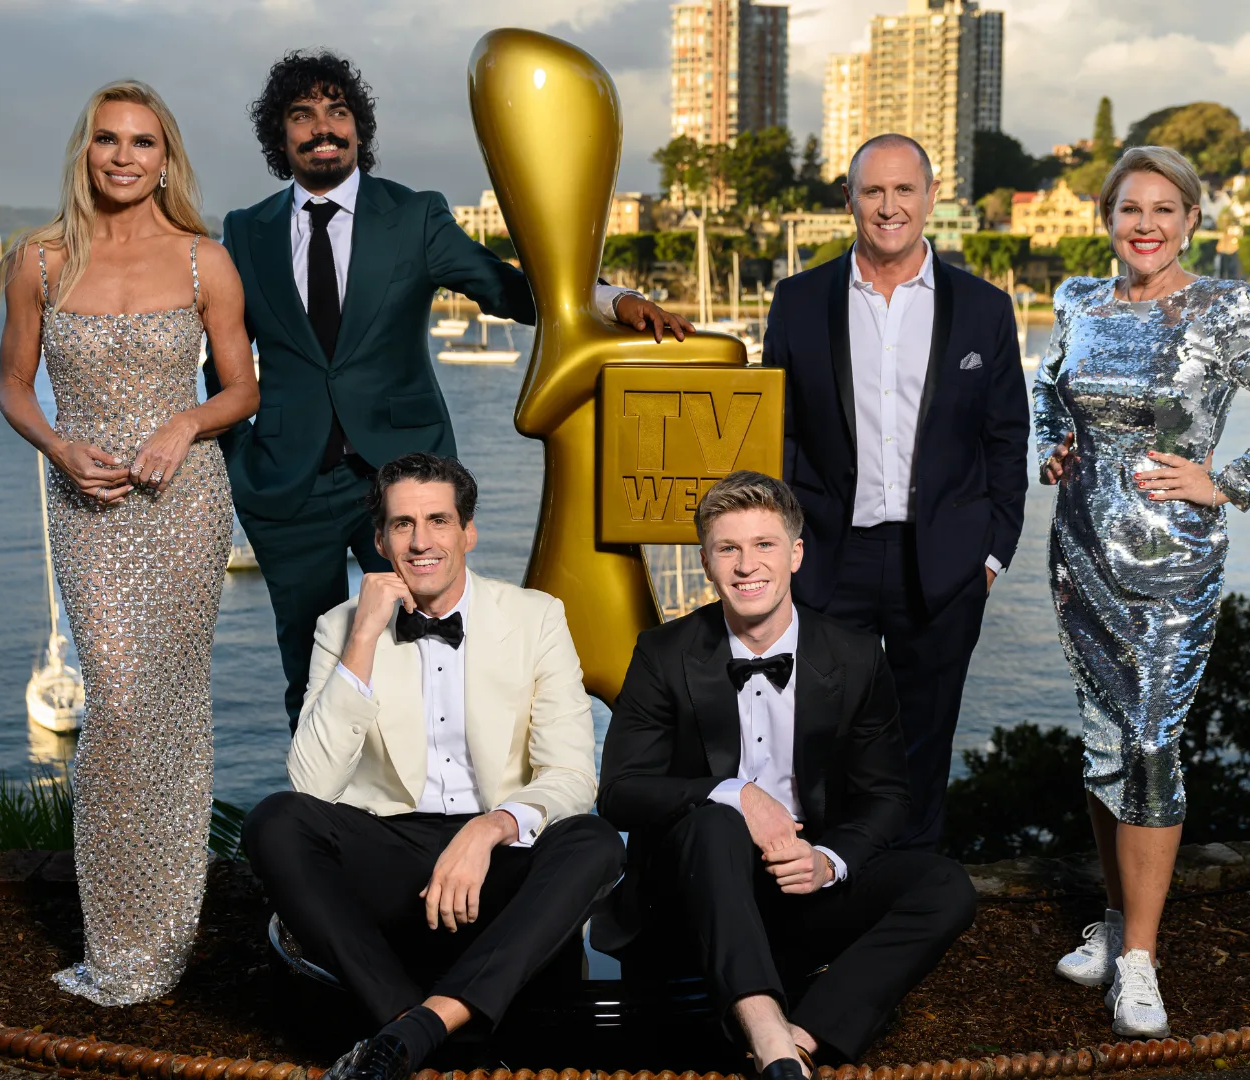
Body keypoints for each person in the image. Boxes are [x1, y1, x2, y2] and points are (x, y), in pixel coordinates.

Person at [215, 49, 692, 730]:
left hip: (406, 476)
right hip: (290, 487)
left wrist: (611, 300)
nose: (324, 127)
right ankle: (325, 826)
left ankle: (431, 824)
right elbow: (224, 358)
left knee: (433, 656)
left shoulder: (414, 216)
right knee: (313, 668)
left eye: (338, 111)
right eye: (303, 115)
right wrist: (242, 466)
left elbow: (504, 288)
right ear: (280, 136)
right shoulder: (246, 231)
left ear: (359, 128)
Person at [1036, 146, 1250, 1038]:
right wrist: (1054, 443)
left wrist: (1231, 481)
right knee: (1104, 742)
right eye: (1130, 209)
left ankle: (1140, 958)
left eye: (1164, 210)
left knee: (1150, 741)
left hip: (1173, 561)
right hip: (1082, 552)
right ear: (1107, 219)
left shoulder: (1222, 307)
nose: (1145, 225)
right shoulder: (1079, 302)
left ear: (1191, 222)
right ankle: (1114, 920)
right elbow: (1046, 387)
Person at [0, 80, 260, 1004]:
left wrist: (183, 426)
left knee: (171, 709)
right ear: (85, 150)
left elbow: (242, 389)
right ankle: (119, 937)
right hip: (88, 508)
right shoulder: (38, 260)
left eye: (142, 143)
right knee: (112, 698)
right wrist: (59, 445)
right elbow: (15, 387)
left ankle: (167, 934)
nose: (122, 156)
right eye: (107, 140)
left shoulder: (203, 263)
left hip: (183, 505)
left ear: (165, 158)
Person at [244, 453, 623, 1080]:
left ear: (467, 532)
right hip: (391, 851)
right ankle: (417, 1030)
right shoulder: (341, 626)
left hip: (496, 855)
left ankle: (413, 1032)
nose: (421, 542)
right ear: (379, 539)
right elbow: (311, 785)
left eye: (438, 521)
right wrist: (363, 639)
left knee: (594, 841)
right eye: (402, 525)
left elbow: (573, 776)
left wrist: (490, 828)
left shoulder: (536, 618)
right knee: (274, 823)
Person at [598, 471, 976, 1078]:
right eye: (728, 549)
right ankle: (769, 1035)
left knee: (945, 886)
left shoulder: (853, 655)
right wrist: (736, 794)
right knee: (717, 824)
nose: (747, 565)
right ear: (706, 561)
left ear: (796, 554)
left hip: (799, 893)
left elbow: (887, 795)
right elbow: (618, 794)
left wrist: (829, 859)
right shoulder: (664, 653)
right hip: (693, 898)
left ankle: (804, 1034)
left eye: (764, 545)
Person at [762, 133, 1030, 851]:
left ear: (931, 198)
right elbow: (778, 440)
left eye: (904, 190)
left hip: (942, 563)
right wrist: (780, 548)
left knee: (921, 745)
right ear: (848, 200)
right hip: (825, 558)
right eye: (873, 192)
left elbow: (1007, 440)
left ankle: (909, 904)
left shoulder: (983, 310)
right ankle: (818, 899)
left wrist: (993, 554)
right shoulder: (797, 302)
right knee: (815, 743)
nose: (889, 207)